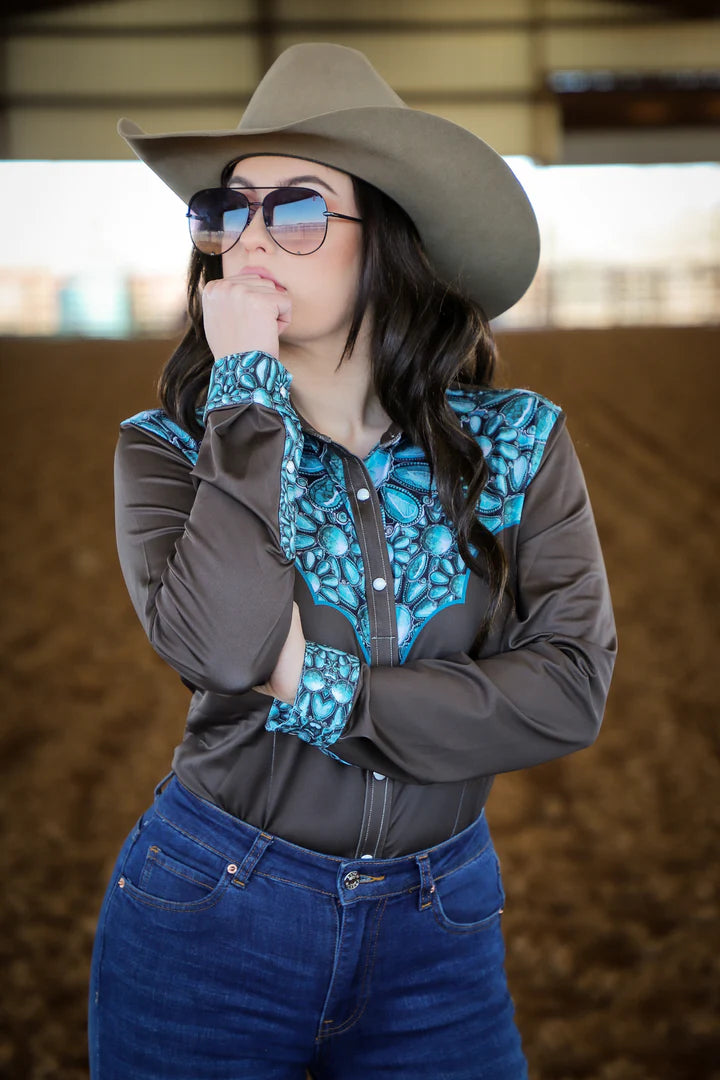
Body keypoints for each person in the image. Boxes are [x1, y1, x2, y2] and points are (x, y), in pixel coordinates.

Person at [88, 42, 616, 1080]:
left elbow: (571, 691)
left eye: (295, 208)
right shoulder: (163, 451)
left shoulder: (520, 442)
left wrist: (315, 682)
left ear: (389, 238)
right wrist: (247, 386)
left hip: (444, 931)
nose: (247, 241)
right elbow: (230, 647)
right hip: (208, 918)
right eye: (225, 210)